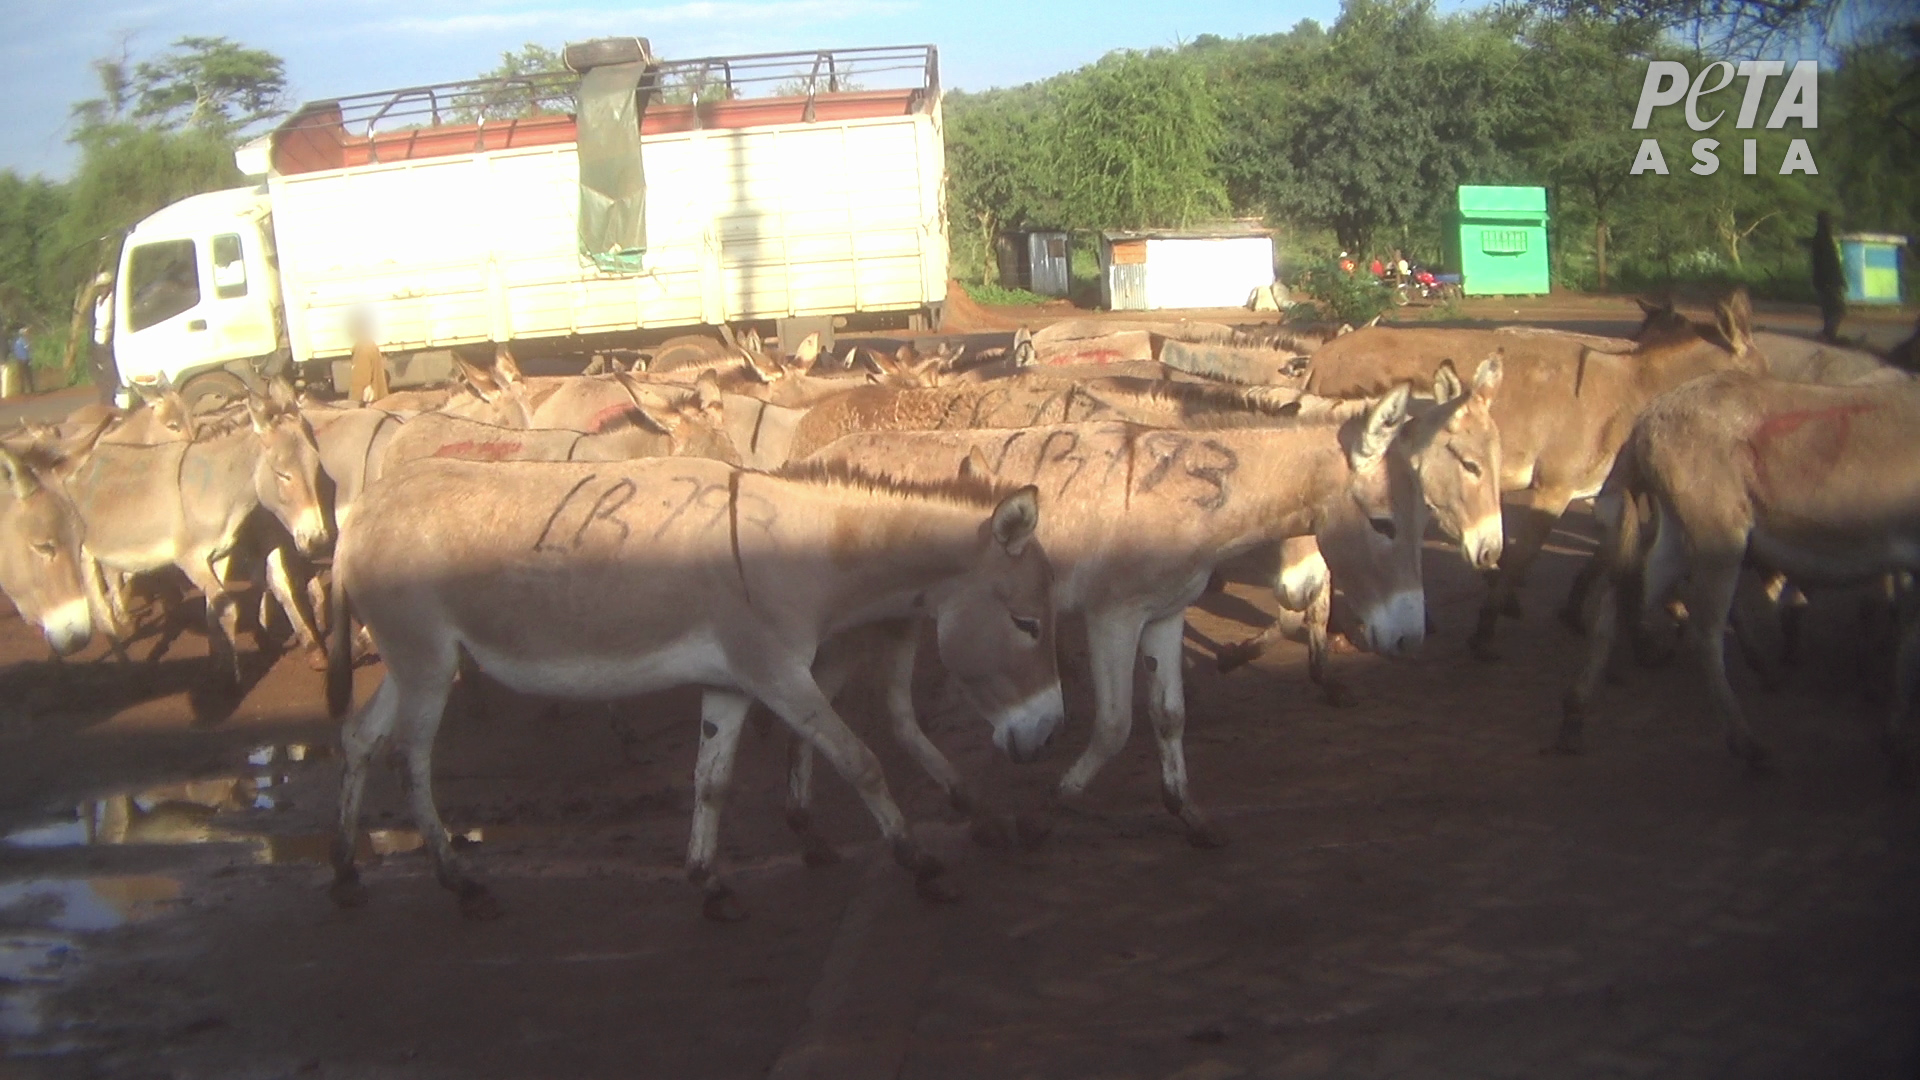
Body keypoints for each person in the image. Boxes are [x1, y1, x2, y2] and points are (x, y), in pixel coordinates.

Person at [1810, 210, 1846, 343]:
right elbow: (1829, 264)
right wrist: (1837, 280)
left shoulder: (1820, 239)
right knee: (1838, 310)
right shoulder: (1823, 240)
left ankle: (1827, 334)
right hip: (1829, 282)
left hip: (1824, 282)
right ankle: (1828, 335)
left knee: (1829, 310)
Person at [90, 272, 119, 406]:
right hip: (98, 338)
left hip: (108, 338)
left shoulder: (113, 299)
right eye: (100, 287)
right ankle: (106, 399)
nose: (102, 289)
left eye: (104, 286)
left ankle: (111, 401)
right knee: (100, 372)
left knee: (110, 373)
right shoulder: (98, 301)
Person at [10, 328, 31, 394]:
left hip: (18, 359)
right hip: (24, 359)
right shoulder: (23, 340)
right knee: (28, 374)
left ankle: (22, 389)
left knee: (21, 375)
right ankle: (30, 389)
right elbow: (27, 348)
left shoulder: (16, 341)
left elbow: (14, 350)